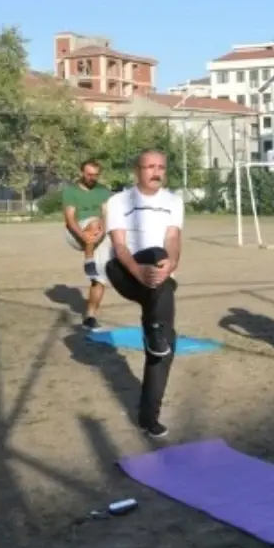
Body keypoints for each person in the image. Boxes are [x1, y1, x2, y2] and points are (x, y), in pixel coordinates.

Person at [103, 150, 184, 439]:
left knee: (164, 347)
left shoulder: (174, 202)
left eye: (161, 167)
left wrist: (171, 263)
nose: (156, 172)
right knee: (155, 253)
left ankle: (149, 418)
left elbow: (173, 238)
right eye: (150, 167)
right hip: (126, 272)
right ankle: (153, 327)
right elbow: (120, 245)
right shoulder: (119, 201)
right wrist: (139, 271)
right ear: (137, 170)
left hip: (160, 280)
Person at [62, 159, 112, 329]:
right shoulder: (71, 192)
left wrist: (102, 234)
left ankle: (90, 316)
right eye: (89, 174)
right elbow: (70, 220)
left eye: (95, 175)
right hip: (76, 232)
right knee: (94, 221)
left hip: (98, 233)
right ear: (82, 173)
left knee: (100, 278)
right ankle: (88, 259)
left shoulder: (103, 191)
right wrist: (84, 237)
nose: (92, 178)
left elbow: (107, 216)